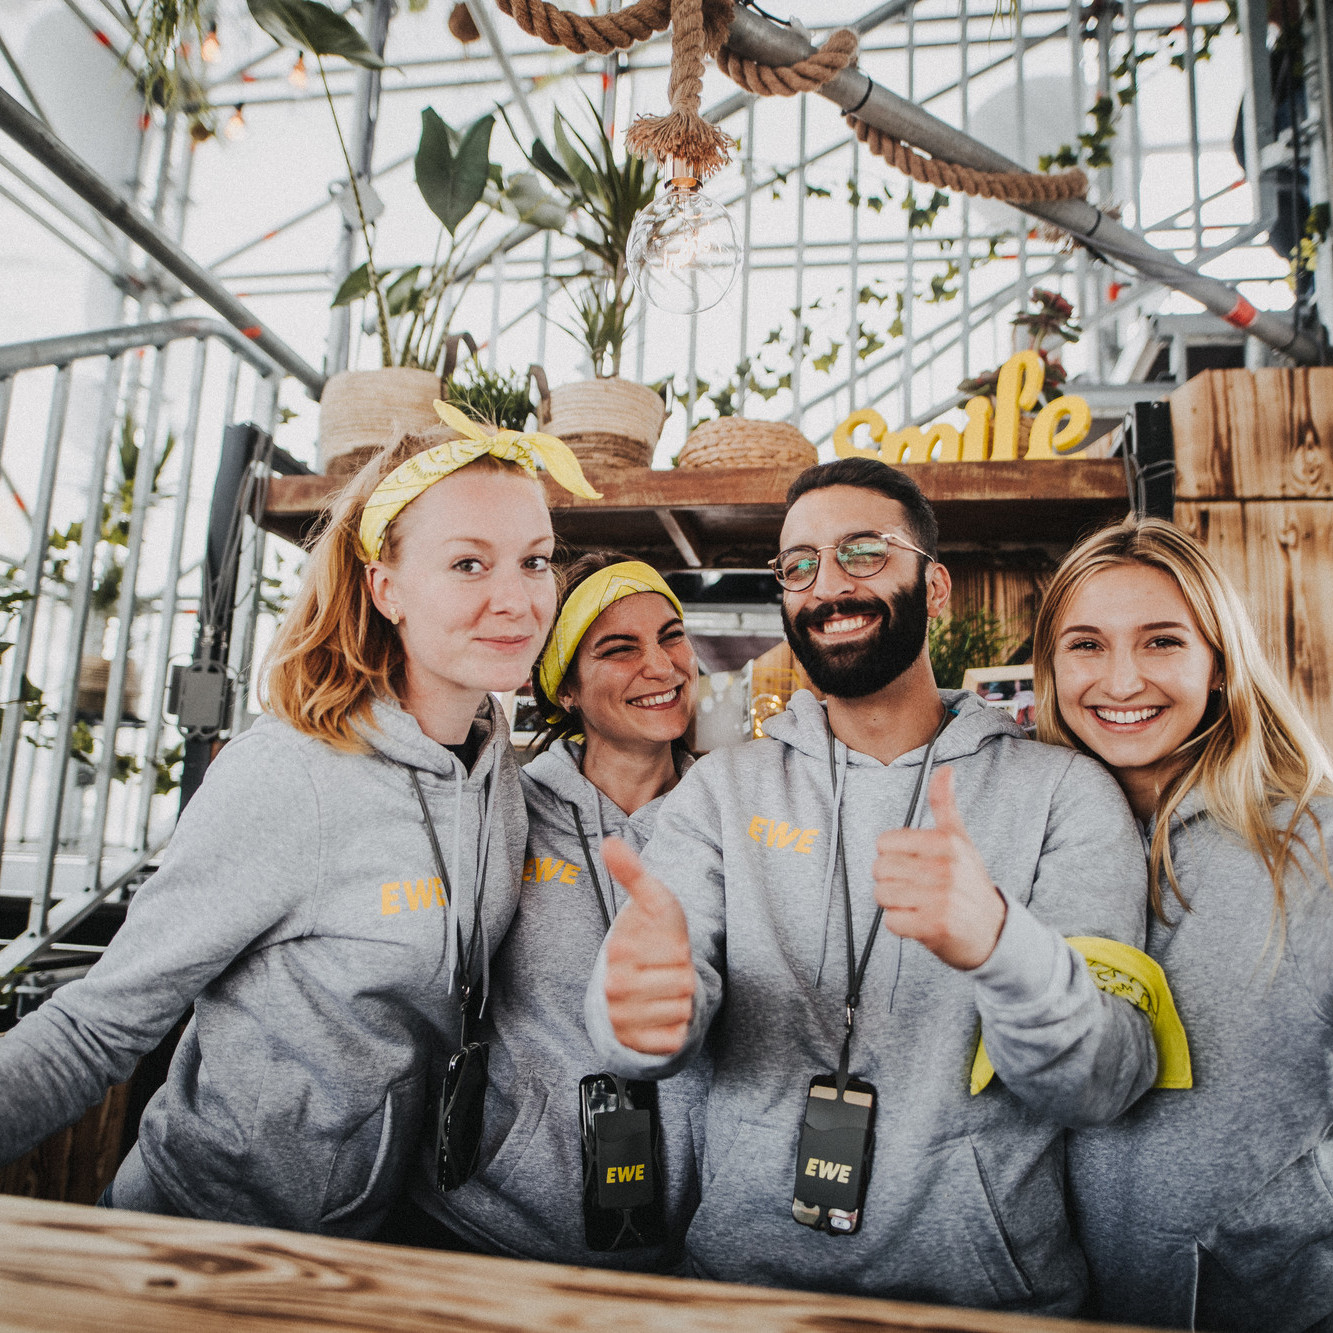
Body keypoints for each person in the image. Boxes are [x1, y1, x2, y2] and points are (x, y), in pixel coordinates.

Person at [582, 456, 1172, 1314]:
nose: (827, 585)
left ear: (933, 588)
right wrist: (637, 1015)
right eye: (798, 565)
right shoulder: (722, 789)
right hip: (741, 1291)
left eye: (863, 552)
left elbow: (1102, 1083)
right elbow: (642, 1017)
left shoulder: (1062, 793)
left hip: (986, 1298)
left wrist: (1004, 949)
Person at [0, 403, 601, 1238]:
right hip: (206, 1244)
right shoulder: (289, 778)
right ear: (384, 586)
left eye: (535, 561)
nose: (517, 598)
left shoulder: (493, 765)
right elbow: (95, 1025)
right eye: (468, 563)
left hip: (373, 1246)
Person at [1034, 516, 1333, 1330]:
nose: (1120, 680)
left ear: (1219, 663)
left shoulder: (1312, 844)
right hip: (1043, 1301)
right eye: (1085, 644)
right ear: (1050, 667)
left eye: (1161, 641)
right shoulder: (1023, 835)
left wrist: (1273, 1223)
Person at [410, 552, 708, 1267]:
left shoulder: (729, 819)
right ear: (564, 687)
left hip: (683, 1251)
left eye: (670, 635)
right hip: (491, 1235)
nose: (661, 665)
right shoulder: (499, 806)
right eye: (618, 647)